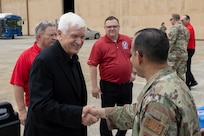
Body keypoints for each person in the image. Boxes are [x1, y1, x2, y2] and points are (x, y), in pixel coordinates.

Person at [88, 28, 201, 136]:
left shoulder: (157, 100)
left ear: (139, 57)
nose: (130, 60)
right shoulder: (173, 81)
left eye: (130, 55)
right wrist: (100, 112)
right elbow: (138, 112)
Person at [24, 12, 98, 136]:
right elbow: (40, 104)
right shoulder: (44, 60)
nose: (79, 42)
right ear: (60, 34)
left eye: (82, 37)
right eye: (74, 36)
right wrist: (78, 114)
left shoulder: (72, 56)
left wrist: (84, 112)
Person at [87, 16, 135, 136]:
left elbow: (134, 56)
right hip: (109, 86)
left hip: (126, 85)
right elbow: (92, 65)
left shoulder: (127, 40)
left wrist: (133, 72)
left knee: (125, 113)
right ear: (104, 28)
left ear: (119, 27)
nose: (112, 29)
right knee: (106, 114)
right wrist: (94, 87)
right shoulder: (99, 44)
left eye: (114, 26)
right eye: (109, 27)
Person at [10, 21, 57, 125]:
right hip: (36, 109)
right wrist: (22, 111)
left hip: (57, 108)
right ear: (39, 37)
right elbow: (18, 83)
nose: (55, 38)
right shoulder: (26, 57)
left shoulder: (58, 54)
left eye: (55, 34)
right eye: (51, 35)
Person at [168, 13, 190, 81]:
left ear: (174, 20)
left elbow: (171, 42)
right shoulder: (186, 29)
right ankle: (182, 90)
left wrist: (167, 53)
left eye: (170, 19)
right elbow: (186, 41)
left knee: (170, 75)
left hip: (174, 56)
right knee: (180, 75)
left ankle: (172, 90)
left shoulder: (174, 28)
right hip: (183, 55)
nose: (170, 21)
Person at [181, 14, 198, 89]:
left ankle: (187, 84)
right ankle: (193, 81)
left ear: (188, 20)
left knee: (187, 67)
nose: (182, 22)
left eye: (183, 20)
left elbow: (185, 39)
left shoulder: (189, 28)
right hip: (189, 49)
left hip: (189, 49)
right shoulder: (187, 27)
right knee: (186, 66)